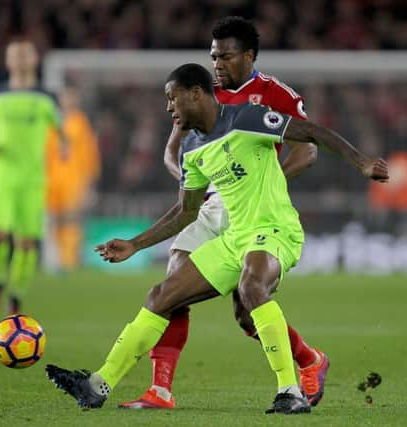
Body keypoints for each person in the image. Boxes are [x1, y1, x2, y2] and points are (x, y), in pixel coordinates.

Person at [45, 63, 389, 414]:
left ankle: (291, 391)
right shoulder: (191, 149)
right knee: (161, 295)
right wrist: (136, 244)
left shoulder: (249, 118)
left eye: (172, 99)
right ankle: (97, 385)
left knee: (251, 287)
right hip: (235, 237)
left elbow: (313, 133)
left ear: (196, 94)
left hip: (274, 229)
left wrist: (361, 163)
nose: (168, 108)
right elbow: (186, 213)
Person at [120, 16, 325, 410]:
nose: (217, 64)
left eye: (225, 56)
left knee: (247, 310)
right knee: (173, 284)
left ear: (248, 56)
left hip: (252, 208)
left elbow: (309, 147)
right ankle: (160, 389)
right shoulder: (200, 92)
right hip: (208, 206)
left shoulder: (274, 94)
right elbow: (172, 150)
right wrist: (196, 182)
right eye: (213, 56)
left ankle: (309, 360)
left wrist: (260, 182)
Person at [0, 39, 67, 316]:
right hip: (2, 174)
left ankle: (16, 295)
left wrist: (64, 147)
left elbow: (62, 131)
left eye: (24, 54)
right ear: (7, 61)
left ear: (34, 60)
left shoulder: (46, 97)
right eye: (14, 54)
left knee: (26, 241)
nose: (18, 59)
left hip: (32, 178)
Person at [46, 85, 100, 272]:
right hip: (52, 180)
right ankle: (57, 259)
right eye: (65, 97)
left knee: (71, 220)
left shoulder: (80, 122)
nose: (68, 101)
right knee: (55, 220)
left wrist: (89, 181)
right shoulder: (52, 121)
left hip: (74, 179)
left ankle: (69, 260)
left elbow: (89, 154)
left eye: (72, 97)